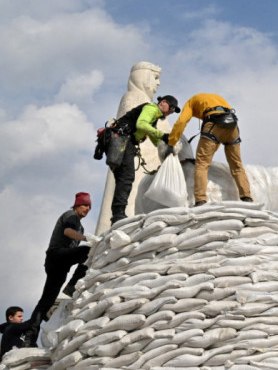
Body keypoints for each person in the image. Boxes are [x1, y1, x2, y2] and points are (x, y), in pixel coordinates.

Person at [24, 192, 95, 347]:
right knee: (89, 251)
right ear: (77, 205)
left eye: (89, 206)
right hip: (57, 255)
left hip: (60, 264)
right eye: (84, 205)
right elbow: (67, 232)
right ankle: (72, 286)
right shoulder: (71, 216)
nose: (87, 208)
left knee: (47, 301)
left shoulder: (80, 226)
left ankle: (29, 337)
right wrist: (86, 239)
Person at [167, 93, 252, 206]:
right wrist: (209, 152)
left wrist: (171, 142)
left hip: (213, 123)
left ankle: (200, 199)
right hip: (233, 125)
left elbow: (181, 122)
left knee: (202, 164)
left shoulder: (191, 102)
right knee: (237, 165)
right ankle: (247, 197)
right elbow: (217, 140)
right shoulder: (217, 98)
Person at [110, 95, 180, 223]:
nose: (171, 112)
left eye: (173, 111)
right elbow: (141, 124)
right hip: (123, 140)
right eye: (171, 108)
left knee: (123, 178)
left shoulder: (155, 117)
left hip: (123, 142)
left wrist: (166, 147)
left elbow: (154, 138)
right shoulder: (152, 108)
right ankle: (118, 214)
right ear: (163, 102)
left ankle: (117, 213)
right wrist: (163, 135)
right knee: (126, 177)